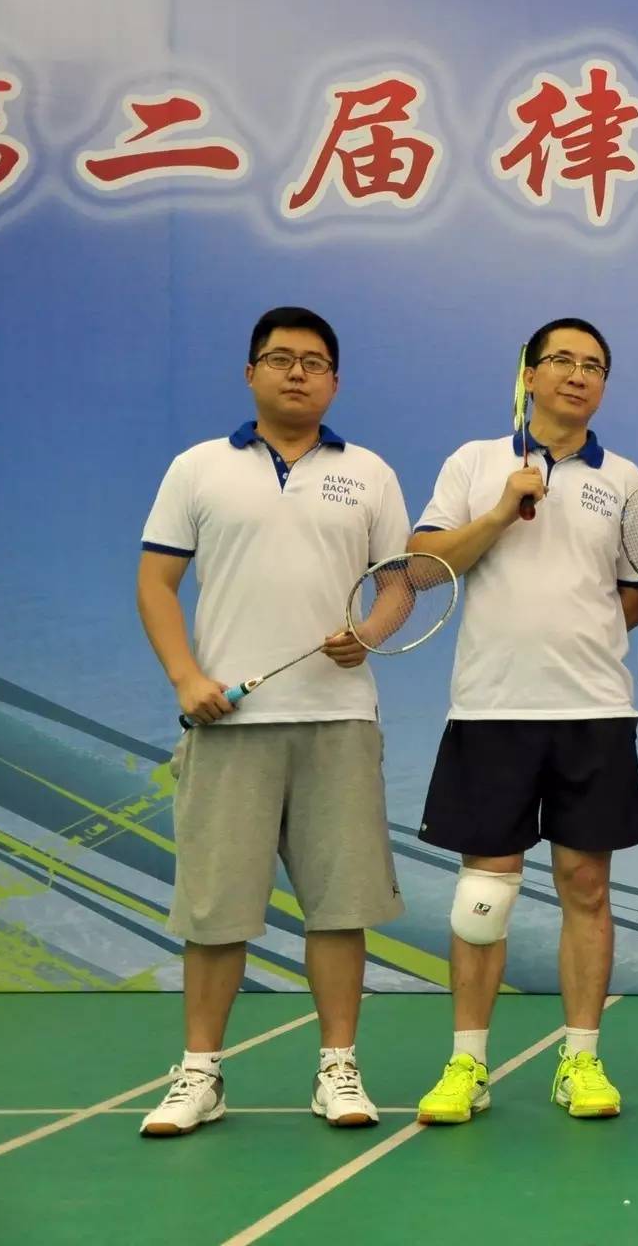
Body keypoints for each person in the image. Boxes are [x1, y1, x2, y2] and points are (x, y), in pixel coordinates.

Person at [136, 306, 406, 1136]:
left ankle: (338, 1069)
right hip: (228, 725)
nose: (297, 373)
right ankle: (200, 1074)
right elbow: (155, 583)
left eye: (314, 362)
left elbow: (400, 584)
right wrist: (186, 677)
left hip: (339, 721)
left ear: (335, 382)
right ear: (250, 373)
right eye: (281, 359)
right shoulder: (197, 468)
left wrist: (369, 634)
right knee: (215, 911)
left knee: (340, 908)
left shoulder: (369, 473)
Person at [409, 318, 638, 1125]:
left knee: (587, 885)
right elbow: (422, 567)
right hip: (493, 708)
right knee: (484, 896)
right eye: (562, 361)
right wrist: (497, 514)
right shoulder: (475, 462)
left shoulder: (625, 479)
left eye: (594, 366)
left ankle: (580, 1059)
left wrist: (579, 632)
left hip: (593, 710)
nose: (578, 376)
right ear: (529, 374)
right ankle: (467, 1064)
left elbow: (637, 594)